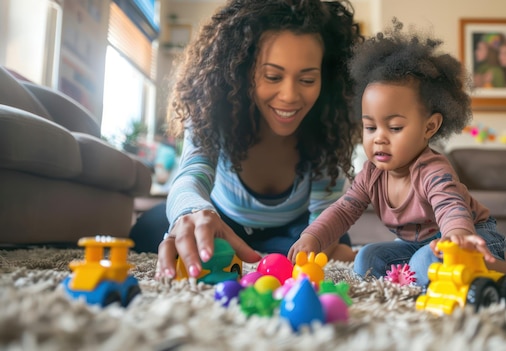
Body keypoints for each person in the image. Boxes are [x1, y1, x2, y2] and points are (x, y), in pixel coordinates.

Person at [288, 22, 506, 285]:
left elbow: (450, 205)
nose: (379, 137)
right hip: (419, 245)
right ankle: (442, 260)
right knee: (367, 260)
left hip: (471, 236)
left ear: (430, 126)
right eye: (370, 126)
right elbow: (342, 211)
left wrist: (458, 235)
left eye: (394, 127)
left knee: (423, 265)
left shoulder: (433, 169)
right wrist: (313, 237)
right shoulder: (371, 174)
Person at [136, 0, 364, 279]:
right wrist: (193, 211)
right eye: (272, 76)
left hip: (296, 230)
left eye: (307, 80)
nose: (290, 96)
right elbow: (192, 174)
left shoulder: (328, 123)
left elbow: (321, 219)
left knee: (319, 247)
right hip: (223, 220)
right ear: (243, 70)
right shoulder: (213, 111)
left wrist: (316, 247)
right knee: (149, 231)